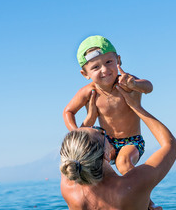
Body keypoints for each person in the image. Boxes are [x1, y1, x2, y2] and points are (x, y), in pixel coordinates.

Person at [60, 85, 176, 210]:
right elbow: (171, 145)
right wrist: (136, 107)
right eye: (101, 132)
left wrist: (89, 118)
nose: (102, 131)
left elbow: (76, 151)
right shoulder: (133, 184)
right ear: (106, 154)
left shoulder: (69, 189)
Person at [63, 35, 153, 176]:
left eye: (109, 62)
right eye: (96, 67)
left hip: (131, 141)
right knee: (86, 166)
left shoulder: (126, 82)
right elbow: (68, 112)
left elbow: (148, 87)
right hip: (106, 142)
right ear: (85, 74)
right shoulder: (88, 91)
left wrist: (135, 84)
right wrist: (77, 132)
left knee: (123, 163)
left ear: (118, 60)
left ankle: (138, 194)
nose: (104, 70)